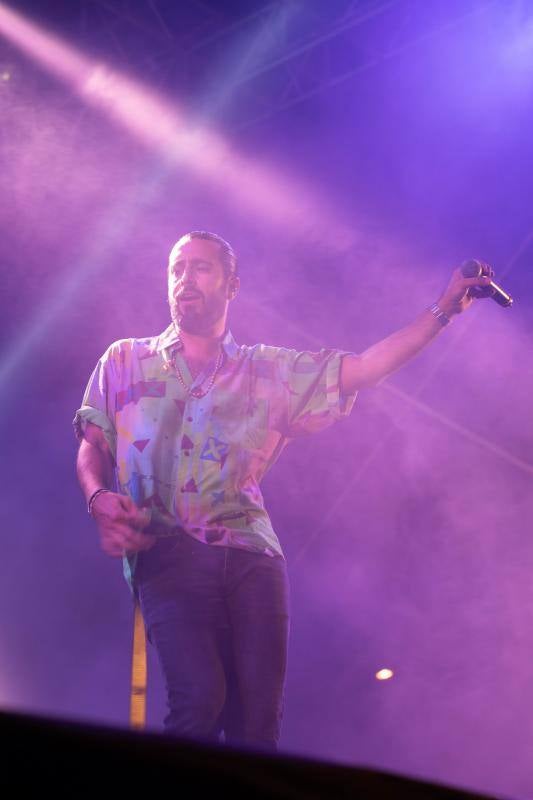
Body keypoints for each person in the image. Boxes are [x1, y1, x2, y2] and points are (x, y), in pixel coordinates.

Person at [74, 230, 491, 749]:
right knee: (199, 700)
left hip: (252, 558)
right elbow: (94, 442)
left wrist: (443, 310)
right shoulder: (124, 360)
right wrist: (97, 498)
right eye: (177, 268)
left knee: (256, 725)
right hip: (167, 552)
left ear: (232, 286)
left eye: (201, 268)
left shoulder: (266, 370)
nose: (185, 279)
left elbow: (361, 369)